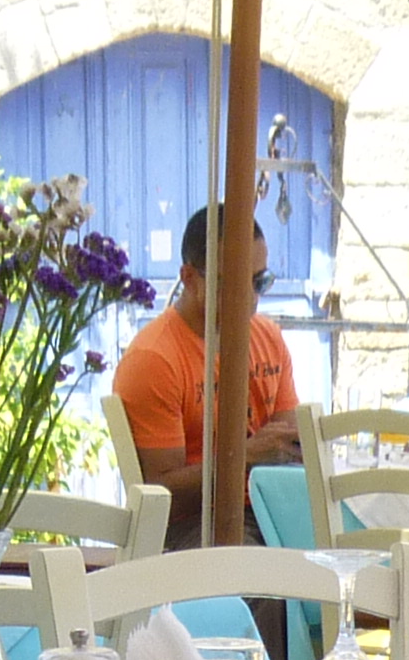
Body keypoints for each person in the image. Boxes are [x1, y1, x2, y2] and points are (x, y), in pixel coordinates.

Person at [111, 207, 301, 545]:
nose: (251, 297)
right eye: (233, 283)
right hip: (196, 523)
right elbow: (160, 496)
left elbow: (288, 448)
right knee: (262, 571)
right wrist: (244, 457)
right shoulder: (154, 359)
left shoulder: (268, 338)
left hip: (271, 510)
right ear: (189, 277)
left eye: (260, 281)